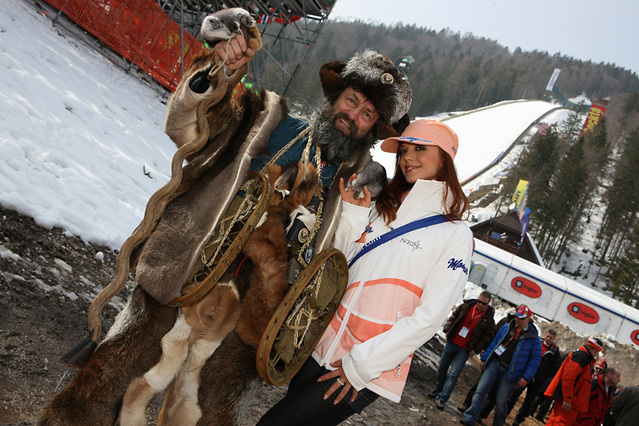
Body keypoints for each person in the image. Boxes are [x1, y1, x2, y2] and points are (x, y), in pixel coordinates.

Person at [39, 8, 413, 425]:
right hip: (188, 270)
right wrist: (216, 71)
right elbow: (190, 128)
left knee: (208, 417)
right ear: (335, 97)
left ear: (373, 129)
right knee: (100, 390)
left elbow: (342, 267)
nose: (353, 116)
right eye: (352, 101)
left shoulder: (356, 191)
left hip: (255, 315)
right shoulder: (268, 121)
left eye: (367, 115)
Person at [257, 119, 474, 425]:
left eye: (420, 149)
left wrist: (360, 365)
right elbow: (342, 267)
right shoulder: (384, 206)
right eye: (404, 150)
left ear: (445, 159)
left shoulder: (455, 233)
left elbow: (430, 317)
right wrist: (354, 214)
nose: (407, 157)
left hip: (363, 366)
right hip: (320, 344)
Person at [460, 305, 542, 426]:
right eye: (516, 317)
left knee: (501, 401)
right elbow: (495, 343)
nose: (517, 320)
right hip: (495, 363)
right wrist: (485, 358)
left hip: (511, 372)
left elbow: (535, 360)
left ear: (528, 320)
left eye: (521, 318)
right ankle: (470, 417)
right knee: (480, 390)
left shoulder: (534, 339)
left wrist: (526, 377)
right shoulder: (506, 328)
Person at [428, 291, 495, 410]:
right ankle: (438, 389)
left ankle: (443, 399)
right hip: (452, 342)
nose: (480, 304)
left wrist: (476, 349)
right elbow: (453, 317)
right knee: (442, 367)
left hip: (464, 350)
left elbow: (486, 338)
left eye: (483, 303)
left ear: (487, 304)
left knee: (453, 374)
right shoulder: (466, 307)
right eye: (479, 301)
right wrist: (447, 329)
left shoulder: (488, 320)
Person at [544, 336, 604, 426]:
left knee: (555, 421)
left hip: (570, 402)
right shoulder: (581, 357)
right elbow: (568, 377)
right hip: (569, 402)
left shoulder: (583, 358)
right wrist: (567, 399)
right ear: (596, 351)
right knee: (560, 422)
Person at [510, 328, 562, 426]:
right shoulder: (537, 344)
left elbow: (556, 368)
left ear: (554, 339)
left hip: (538, 380)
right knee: (514, 393)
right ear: (545, 335)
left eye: (551, 338)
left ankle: (518, 419)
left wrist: (544, 376)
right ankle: (506, 412)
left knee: (529, 401)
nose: (548, 339)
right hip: (526, 374)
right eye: (547, 336)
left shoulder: (554, 352)